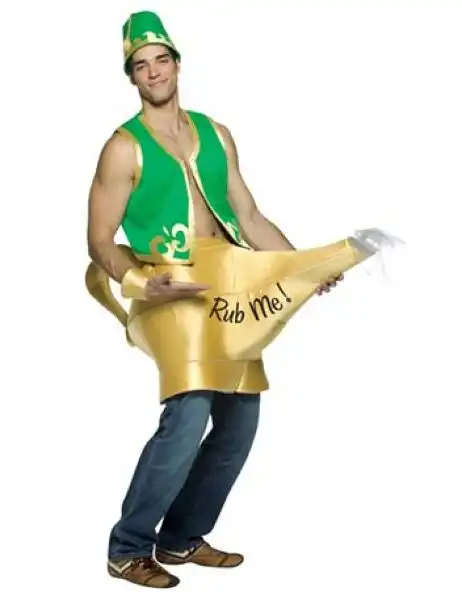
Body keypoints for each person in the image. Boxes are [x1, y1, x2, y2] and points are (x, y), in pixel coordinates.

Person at [86, 10, 395, 589]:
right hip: (169, 290)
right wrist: (142, 284)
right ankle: (127, 549)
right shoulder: (122, 149)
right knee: (189, 413)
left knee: (240, 421)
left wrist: (298, 266)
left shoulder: (216, 133)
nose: (153, 72)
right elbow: (100, 241)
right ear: (131, 76)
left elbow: (249, 217)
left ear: (177, 64)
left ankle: (181, 537)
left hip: (226, 287)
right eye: (141, 65)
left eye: (161, 60)